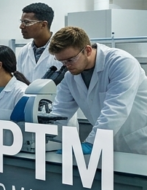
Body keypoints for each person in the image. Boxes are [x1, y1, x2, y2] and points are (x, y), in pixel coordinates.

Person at [46, 26, 147, 155]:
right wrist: (43, 136)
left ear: (87, 50)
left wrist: (92, 143)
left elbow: (116, 108)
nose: (67, 65)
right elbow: (60, 112)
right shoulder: (69, 76)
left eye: (70, 60)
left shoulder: (121, 62)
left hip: (138, 141)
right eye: (62, 61)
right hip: (108, 144)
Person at [16, 2, 60, 81]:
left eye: (26, 22)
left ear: (43, 25)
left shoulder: (61, 51)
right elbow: (20, 83)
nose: (21, 26)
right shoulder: (23, 52)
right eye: (21, 22)